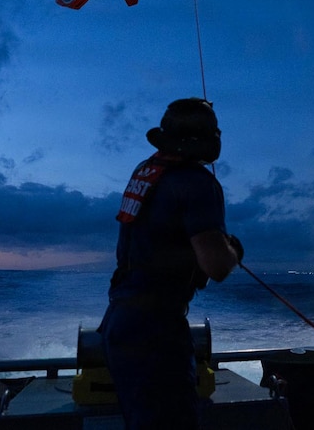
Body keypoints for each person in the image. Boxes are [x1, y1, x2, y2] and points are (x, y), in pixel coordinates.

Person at [99, 98, 244, 430]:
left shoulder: (146, 171)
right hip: (155, 334)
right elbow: (217, 265)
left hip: (120, 324)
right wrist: (234, 249)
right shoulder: (197, 183)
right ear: (208, 138)